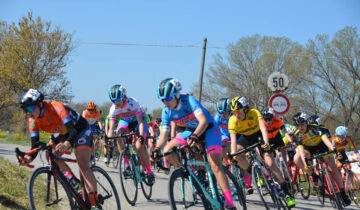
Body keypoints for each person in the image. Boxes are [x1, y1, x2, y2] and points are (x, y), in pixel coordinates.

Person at [152, 78, 237, 209]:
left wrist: (196, 136)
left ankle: (230, 203)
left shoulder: (188, 100)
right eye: (162, 99)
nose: (165, 102)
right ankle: (193, 173)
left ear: (176, 95)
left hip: (208, 128)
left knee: (215, 164)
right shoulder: (166, 112)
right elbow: (163, 136)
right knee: (168, 151)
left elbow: (203, 121)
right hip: (191, 130)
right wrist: (157, 149)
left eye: (168, 99)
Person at [18, 89, 100, 209]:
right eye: (25, 110)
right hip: (61, 133)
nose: (28, 113)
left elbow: (72, 131)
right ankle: (74, 183)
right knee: (51, 156)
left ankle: (94, 204)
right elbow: (35, 145)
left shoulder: (56, 107)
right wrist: (28, 158)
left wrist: (67, 144)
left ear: (40, 104)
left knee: (82, 164)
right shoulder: (33, 121)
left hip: (79, 129)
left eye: (30, 109)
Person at [228, 96, 296, 207]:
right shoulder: (232, 120)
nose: (236, 115)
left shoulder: (254, 113)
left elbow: (263, 129)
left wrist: (266, 142)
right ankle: (251, 170)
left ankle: (287, 193)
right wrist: (233, 156)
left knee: (270, 163)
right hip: (246, 138)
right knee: (237, 153)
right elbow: (233, 141)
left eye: (238, 112)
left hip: (259, 136)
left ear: (246, 109)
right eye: (233, 112)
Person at [292, 112, 351, 206]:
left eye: (302, 124)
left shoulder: (315, 128)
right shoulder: (297, 134)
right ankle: (313, 176)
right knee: (296, 158)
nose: (300, 127)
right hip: (308, 149)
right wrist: (306, 163)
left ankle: (343, 194)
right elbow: (301, 150)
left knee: (333, 168)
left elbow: (325, 139)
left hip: (321, 146)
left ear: (307, 122)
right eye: (297, 125)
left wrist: (332, 148)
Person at [107, 84, 155, 185]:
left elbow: (141, 122)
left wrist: (141, 136)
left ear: (124, 97)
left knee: (139, 146)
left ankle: (149, 171)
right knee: (118, 136)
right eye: (113, 101)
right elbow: (111, 128)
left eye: (118, 101)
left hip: (138, 122)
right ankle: (127, 163)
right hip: (125, 122)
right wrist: (109, 139)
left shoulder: (133, 103)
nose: (116, 104)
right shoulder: (113, 109)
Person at [214, 98, 236, 168]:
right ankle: (228, 163)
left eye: (224, 112)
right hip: (225, 135)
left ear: (229, 110)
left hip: (236, 134)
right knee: (222, 145)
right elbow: (213, 129)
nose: (222, 115)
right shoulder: (218, 117)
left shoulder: (234, 115)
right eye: (220, 113)